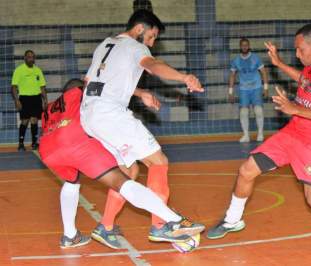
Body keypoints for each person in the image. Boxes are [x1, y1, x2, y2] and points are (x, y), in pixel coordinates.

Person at [207, 24, 311, 261]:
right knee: (247, 169)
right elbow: (305, 81)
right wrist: (278, 64)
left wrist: (293, 108)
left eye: (300, 49)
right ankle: (233, 219)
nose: (297, 54)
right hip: (294, 131)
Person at [80, 9, 204, 245]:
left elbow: (90, 82)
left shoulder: (106, 44)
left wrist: (139, 92)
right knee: (158, 161)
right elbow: (154, 66)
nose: (152, 42)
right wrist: (184, 77)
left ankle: (105, 226)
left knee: (129, 171)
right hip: (110, 114)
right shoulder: (137, 47)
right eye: (152, 36)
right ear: (139, 29)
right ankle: (160, 225)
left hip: (90, 114)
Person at [39, 79, 204, 249]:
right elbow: (108, 86)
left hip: (47, 148)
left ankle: (70, 235)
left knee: (72, 182)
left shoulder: (52, 105)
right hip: (75, 140)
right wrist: (141, 93)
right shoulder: (80, 91)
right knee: (123, 178)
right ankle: (173, 220)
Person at [229, 38, 269, 143]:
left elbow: (263, 72)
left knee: (258, 110)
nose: (244, 47)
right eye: (243, 45)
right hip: (243, 89)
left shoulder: (255, 58)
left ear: (249, 46)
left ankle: (260, 133)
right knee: (243, 112)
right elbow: (232, 75)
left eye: (246, 45)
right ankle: (246, 135)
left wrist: (265, 88)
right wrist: (230, 92)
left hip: (256, 88)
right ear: (240, 46)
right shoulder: (236, 60)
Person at [11, 50, 47, 151]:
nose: (31, 59)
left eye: (32, 57)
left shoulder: (38, 70)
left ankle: (34, 143)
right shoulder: (19, 70)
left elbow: (42, 87)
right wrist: (16, 100)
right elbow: (13, 87)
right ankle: (21, 143)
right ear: (25, 58)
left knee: (34, 120)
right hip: (24, 98)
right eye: (29, 57)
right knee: (25, 121)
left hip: (36, 98)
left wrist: (45, 100)